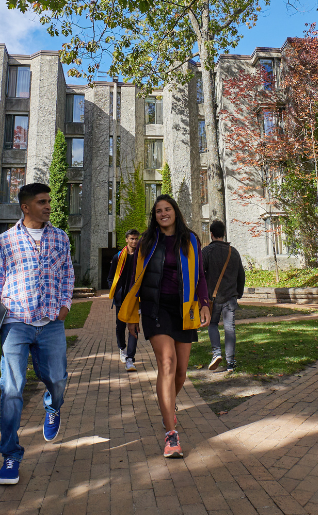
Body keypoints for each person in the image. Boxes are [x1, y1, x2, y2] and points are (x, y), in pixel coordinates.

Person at [0, 183, 74, 486]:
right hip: (15, 323)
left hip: (50, 324)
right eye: (42, 202)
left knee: (57, 380)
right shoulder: (6, 241)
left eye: (49, 201)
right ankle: (10, 455)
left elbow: (68, 273)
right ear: (26, 207)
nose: (48, 206)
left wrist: (66, 305)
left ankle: (53, 405)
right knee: (11, 390)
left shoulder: (60, 237)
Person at [119, 195, 210, 458]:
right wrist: (133, 316)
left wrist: (204, 302)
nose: (163, 214)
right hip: (154, 308)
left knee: (181, 372)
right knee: (167, 363)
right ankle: (171, 435)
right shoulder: (147, 242)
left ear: (175, 212)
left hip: (184, 308)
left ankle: (166, 408)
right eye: (158, 211)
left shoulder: (191, 239)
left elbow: (201, 275)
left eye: (167, 209)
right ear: (154, 215)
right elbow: (135, 280)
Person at [202, 220, 245, 373]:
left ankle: (216, 353)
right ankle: (231, 362)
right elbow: (241, 275)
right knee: (230, 328)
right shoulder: (233, 252)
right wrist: (238, 293)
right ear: (224, 233)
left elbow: (199, 275)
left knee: (212, 325)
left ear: (211, 234)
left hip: (212, 298)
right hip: (230, 298)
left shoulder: (206, 252)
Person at [107, 229, 140, 372]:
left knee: (134, 327)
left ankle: (130, 358)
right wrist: (115, 292)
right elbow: (110, 277)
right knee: (120, 326)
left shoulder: (141, 257)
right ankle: (122, 348)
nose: (134, 241)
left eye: (136, 239)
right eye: (131, 239)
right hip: (121, 298)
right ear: (126, 239)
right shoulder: (118, 257)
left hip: (135, 298)